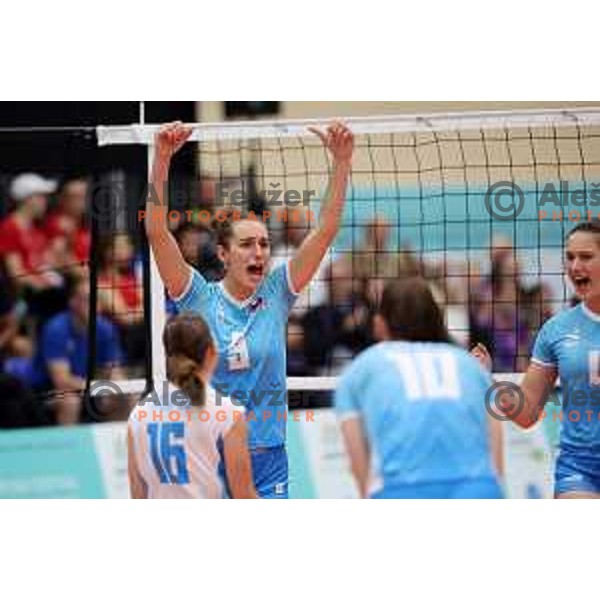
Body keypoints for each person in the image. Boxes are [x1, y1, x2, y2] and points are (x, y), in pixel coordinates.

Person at [145, 121, 354, 498]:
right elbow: (158, 233)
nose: (259, 252)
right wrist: (162, 160)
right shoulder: (198, 296)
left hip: (269, 456)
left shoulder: (277, 292)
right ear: (223, 254)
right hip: (211, 455)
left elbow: (325, 229)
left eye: (263, 243)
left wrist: (341, 162)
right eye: (246, 245)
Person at [335, 278, 504, 499]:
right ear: (437, 318)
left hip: (402, 490)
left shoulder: (358, 371)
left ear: (379, 324)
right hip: (478, 489)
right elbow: (497, 465)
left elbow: (362, 474)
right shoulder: (471, 366)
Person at [472, 221, 600, 499]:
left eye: (586, 257)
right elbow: (527, 413)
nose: (575, 266)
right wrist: (488, 380)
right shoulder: (556, 329)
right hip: (581, 468)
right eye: (570, 257)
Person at [127, 313, 258, 499]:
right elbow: (244, 495)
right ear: (211, 352)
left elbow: (137, 495)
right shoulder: (227, 411)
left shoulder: (138, 414)